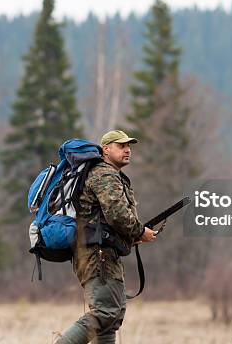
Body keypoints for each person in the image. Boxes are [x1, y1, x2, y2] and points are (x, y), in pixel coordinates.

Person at [55, 130, 157, 344]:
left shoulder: (108, 174)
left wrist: (132, 237)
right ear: (106, 150)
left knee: (112, 317)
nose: (127, 150)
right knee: (104, 313)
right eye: (121, 146)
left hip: (104, 254)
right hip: (97, 255)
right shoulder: (104, 174)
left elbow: (106, 218)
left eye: (129, 146)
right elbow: (117, 213)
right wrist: (139, 231)